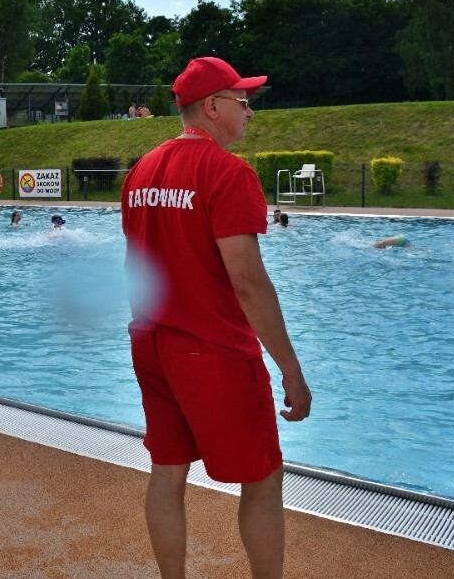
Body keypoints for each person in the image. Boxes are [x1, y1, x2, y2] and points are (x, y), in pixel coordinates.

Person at [121, 56, 312, 578]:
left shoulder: (141, 172)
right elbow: (247, 282)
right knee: (264, 477)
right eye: (242, 102)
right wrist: (290, 368)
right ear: (212, 107)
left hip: (152, 343)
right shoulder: (228, 173)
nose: (249, 113)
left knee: (167, 473)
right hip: (212, 349)